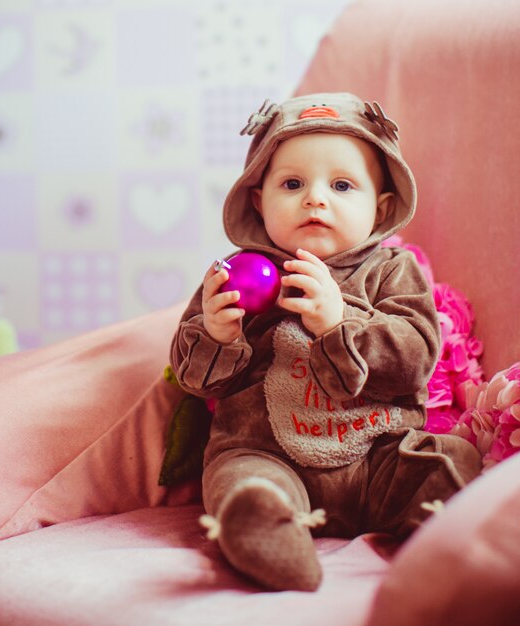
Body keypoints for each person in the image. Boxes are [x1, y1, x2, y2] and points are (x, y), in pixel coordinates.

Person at [169, 93, 481, 592]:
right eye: (292, 183)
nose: (315, 198)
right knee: (238, 480)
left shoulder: (392, 271)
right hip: (270, 455)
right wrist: (217, 334)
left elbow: (416, 357)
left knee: (451, 461)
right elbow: (191, 375)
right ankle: (268, 536)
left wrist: (337, 323)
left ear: (380, 208)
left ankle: (442, 541)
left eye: (341, 185)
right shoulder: (240, 276)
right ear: (258, 200)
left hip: (380, 454)